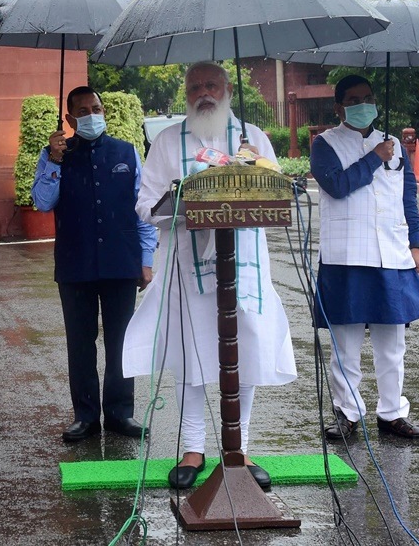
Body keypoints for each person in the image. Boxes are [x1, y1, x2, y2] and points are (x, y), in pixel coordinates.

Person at [123, 62, 296, 490]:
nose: (204, 93)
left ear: (228, 89)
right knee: (192, 353)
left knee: (246, 350)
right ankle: (192, 449)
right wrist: (181, 201)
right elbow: (145, 204)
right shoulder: (167, 141)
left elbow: (277, 189)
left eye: (212, 86)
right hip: (187, 268)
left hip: (244, 264)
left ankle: (239, 448)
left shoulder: (252, 137)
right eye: (195, 87)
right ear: (186, 94)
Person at [311, 74, 419, 441]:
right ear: (339, 108)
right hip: (346, 255)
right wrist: (373, 158)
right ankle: (347, 413)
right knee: (346, 344)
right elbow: (336, 186)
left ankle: (392, 413)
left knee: (392, 344)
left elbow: (407, 199)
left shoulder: (394, 144)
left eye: (368, 97)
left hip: (391, 254)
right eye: (354, 100)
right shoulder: (325, 144)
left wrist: (416, 243)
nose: (363, 105)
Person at [31, 86, 158, 443]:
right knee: (80, 343)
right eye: (83, 111)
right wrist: (54, 162)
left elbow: (143, 209)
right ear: (70, 119)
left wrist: (146, 259)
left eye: (96, 109)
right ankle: (85, 416)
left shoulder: (126, 152)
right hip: (75, 262)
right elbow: (42, 202)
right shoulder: (55, 155)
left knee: (121, 340)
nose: (91, 116)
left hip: (121, 261)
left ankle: (120, 413)